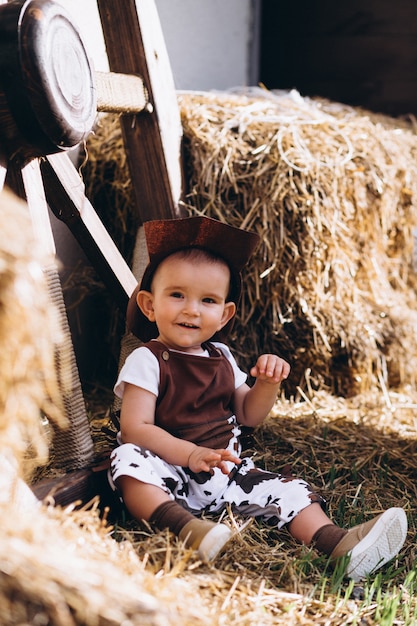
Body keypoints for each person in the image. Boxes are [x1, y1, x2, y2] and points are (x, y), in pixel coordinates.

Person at [109, 215, 407, 581]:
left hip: (227, 472)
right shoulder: (148, 358)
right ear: (149, 305)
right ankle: (185, 529)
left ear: (224, 315)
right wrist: (189, 454)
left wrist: (267, 384)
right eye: (177, 295)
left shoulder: (222, 357)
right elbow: (136, 428)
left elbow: (249, 415)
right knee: (127, 460)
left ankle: (338, 544)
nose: (192, 309)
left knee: (291, 490)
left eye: (208, 300)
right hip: (169, 472)